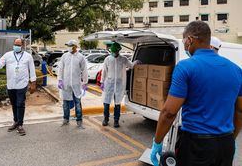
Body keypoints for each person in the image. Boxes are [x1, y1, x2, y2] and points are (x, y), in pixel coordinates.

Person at [150, 21, 242, 166]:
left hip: (196, 146)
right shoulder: (236, 70)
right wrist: (231, 139)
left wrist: (158, 141)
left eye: (184, 40)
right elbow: (240, 111)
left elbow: (169, 112)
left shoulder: (185, 67)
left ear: (190, 40)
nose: (185, 44)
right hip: (226, 144)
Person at [0, 38, 36, 136]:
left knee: (20, 103)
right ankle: (16, 121)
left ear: (22, 45)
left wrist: (33, 83)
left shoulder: (28, 56)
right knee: (14, 104)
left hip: (22, 84)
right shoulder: (7, 55)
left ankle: (20, 124)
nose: (16, 46)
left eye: (18, 45)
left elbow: (32, 70)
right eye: (15, 44)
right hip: (11, 84)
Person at [100, 42, 137, 128]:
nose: (114, 53)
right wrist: (102, 82)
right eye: (113, 51)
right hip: (109, 84)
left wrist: (135, 62)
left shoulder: (123, 59)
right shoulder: (108, 59)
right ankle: (106, 119)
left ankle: (116, 121)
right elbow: (104, 71)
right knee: (106, 103)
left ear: (118, 51)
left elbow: (131, 66)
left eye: (116, 51)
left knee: (117, 104)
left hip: (119, 85)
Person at [58, 40, 88, 129]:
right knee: (65, 103)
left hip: (76, 84)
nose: (68, 47)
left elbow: (84, 70)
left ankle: (79, 121)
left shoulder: (80, 57)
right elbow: (61, 69)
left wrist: (85, 82)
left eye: (70, 46)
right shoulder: (64, 56)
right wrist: (60, 80)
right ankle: (65, 119)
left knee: (78, 103)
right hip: (66, 84)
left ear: (75, 46)